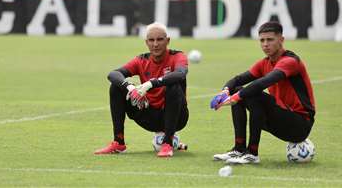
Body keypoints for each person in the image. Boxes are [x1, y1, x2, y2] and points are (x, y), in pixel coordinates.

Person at [211, 21, 316, 164]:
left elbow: (264, 82)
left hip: (300, 125)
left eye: (270, 40)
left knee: (252, 94)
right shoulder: (264, 63)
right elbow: (237, 80)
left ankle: (252, 153)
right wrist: (224, 93)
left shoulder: (290, 61)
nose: (265, 44)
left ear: (281, 40)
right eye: (262, 40)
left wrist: (235, 98)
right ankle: (239, 149)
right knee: (238, 90)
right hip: (280, 119)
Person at [94, 22, 189, 157]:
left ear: (167, 41)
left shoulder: (177, 56)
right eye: (151, 40)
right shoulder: (141, 60)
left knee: (174, 85)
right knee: (116, 87)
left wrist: (151, 83)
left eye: (160, 39)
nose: (155, 44)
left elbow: (180, 74)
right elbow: (113, 74)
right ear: (146, 42)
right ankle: (119, 142)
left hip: (178, 117)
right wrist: (130, 87)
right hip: (150, 117)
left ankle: (167, 143)